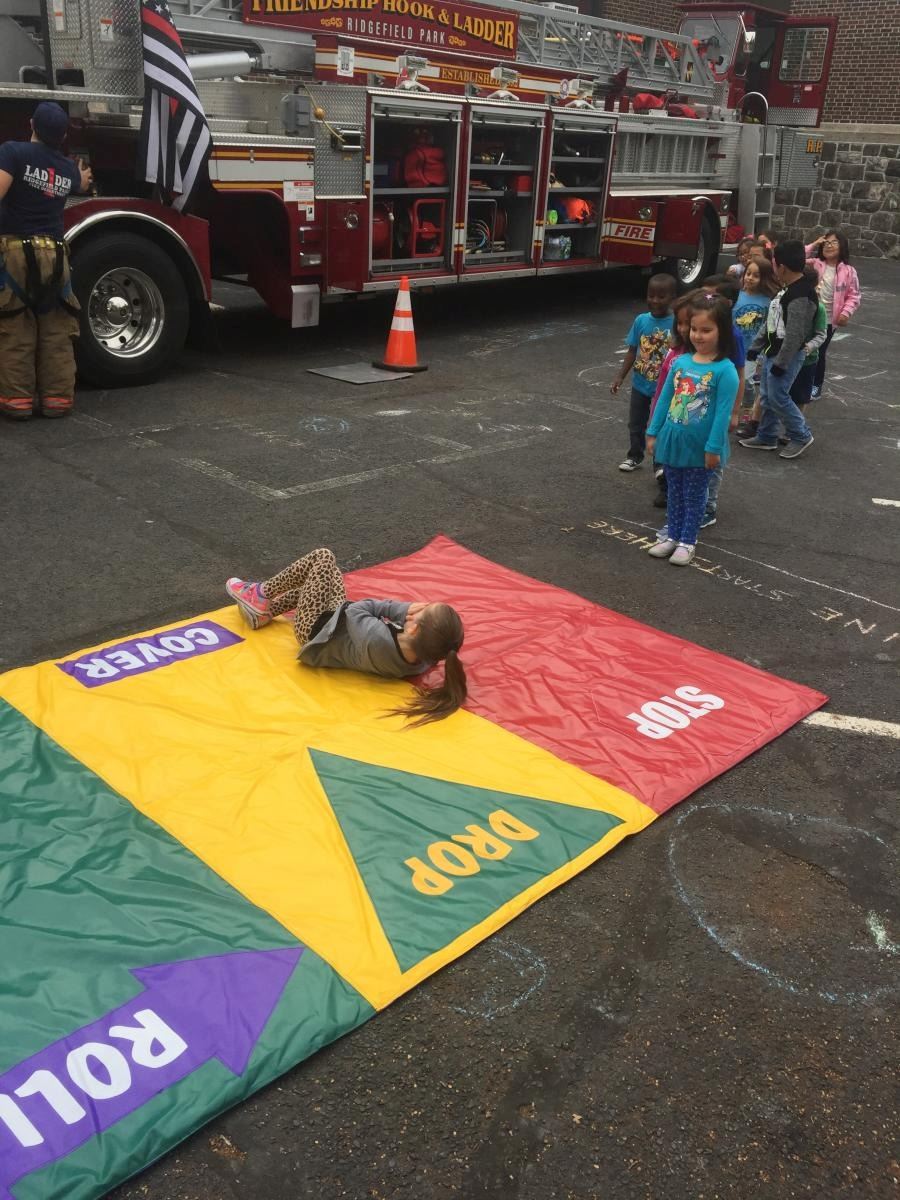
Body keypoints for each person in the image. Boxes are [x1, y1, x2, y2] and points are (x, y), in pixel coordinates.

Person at [225, 548, 467, 725]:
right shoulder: (425, 654)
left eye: (421, 610)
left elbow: (357, 608)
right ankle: (264, 614)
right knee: (328, 579)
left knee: (323, 558)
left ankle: (259, 593)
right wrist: (417, 616)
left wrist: (403, 609)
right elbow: (441, 638)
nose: (416, 607)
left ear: (414, 628)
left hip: (315, 629)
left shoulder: (377, 639)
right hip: (338, 625)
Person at [0, 101, 92, 419]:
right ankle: (57, 399)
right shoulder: (67, 168)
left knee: (16, 323)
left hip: (16, 252)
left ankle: (18, 401)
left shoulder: (13, 153)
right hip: (55, 253)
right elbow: (81, 183)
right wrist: (81, 176)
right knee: (56, 326)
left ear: (31, 125)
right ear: (63, 134)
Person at [645, 293, 738, 567]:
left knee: (695, 494)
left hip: (701, 448)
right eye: (695, 329)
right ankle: (672, 535)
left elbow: (722, 415)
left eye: (707, 330)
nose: (698, 335)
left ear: (722, 331)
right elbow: (665, 399)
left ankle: (688, 541)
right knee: (674, 491)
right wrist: (653, 431)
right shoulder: (681, 362)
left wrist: (713, 448)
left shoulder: (726, 371)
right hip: (673, 441)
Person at [740, 239, 817, 460]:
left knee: (778, 396)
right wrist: (756, 347)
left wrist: (781, 364)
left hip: (786, 356)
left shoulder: (801, 294)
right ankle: (767, 435)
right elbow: (772, 321)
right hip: (773, 352)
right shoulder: (787, 290)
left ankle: (801, 435)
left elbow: (794, 334)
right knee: (767, 395)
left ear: (781, 266)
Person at [610, 273, 676, 472]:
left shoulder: (676, 322)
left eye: (661, 296)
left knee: (659, 425)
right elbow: (632, 351)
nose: (655, 300)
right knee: (636, 423)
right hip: (640, 383)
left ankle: (660, 463)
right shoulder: (641, 321)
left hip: (664, 388)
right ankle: (635, 455)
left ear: (672, 298)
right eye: (651, 295)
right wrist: (620, 376)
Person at [649, 293, 695, 509]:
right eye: (681, 323)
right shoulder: (675, 350)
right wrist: (654, 421)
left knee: (683, 464)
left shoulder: (710, 361)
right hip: (666, 415)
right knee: (664, 455)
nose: (684, 328)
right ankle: (666, 487)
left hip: (687, 420)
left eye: (690, 324)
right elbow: (663, 389)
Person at [804, 229, 861, 398]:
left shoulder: (848, 271)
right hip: (808, 315)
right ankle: (801, 380)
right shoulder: (814, 264)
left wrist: (846, 313)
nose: (828, 245)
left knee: (818, 352)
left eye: (833, 242)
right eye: (826, 242)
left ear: (842, 246)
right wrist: (814, 244)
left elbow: (854, 295)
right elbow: (795, 259)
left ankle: (816, 384)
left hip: (828, 320)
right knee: (803, 349)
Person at [733, 257, 779, 439]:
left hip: (752, 350)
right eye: (748, 274)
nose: (750, 278)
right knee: (733, 379)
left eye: (756, 275)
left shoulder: (768, 301)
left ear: (765, 278)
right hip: (734, 346)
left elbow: (769, 324)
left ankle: (749, 409)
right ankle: (734, 407)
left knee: (748, 381)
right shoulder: (736, 295)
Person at [789, 268, 829, 411]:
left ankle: (795, 431)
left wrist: (810, 346)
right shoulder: (787, 300)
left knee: (800, 397)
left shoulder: (819, 308)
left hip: (807, 360)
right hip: (785, 357)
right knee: (777, 394)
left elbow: (821, 334)